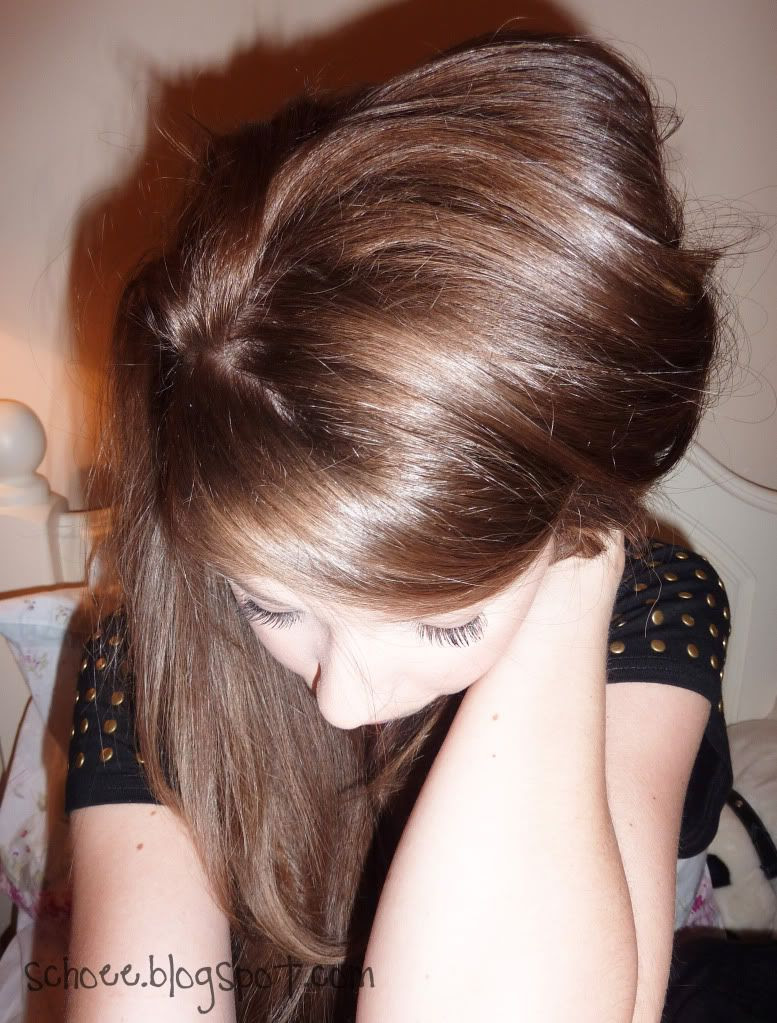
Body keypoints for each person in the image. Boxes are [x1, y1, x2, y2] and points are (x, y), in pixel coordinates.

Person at [62, 29, 742, 1023]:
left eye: (443, 621)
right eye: (271, 604)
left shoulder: (650, 607)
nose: (344, 701)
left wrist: (576, 543)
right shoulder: (148, 663)